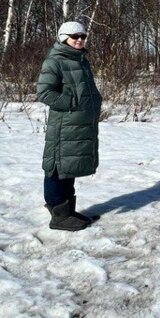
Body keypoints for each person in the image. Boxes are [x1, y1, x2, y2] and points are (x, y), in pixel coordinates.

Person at [36, 21, 103, 231]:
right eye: (75, 36)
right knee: (57, 167)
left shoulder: (81, 60)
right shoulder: (55, 61)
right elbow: (44, 92)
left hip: (79, 125)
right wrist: (72, 103)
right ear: (64, 37)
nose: (80, 40)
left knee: (69, 167)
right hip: (64, 126)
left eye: (83, 36)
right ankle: (58, 215)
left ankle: (68, 212)